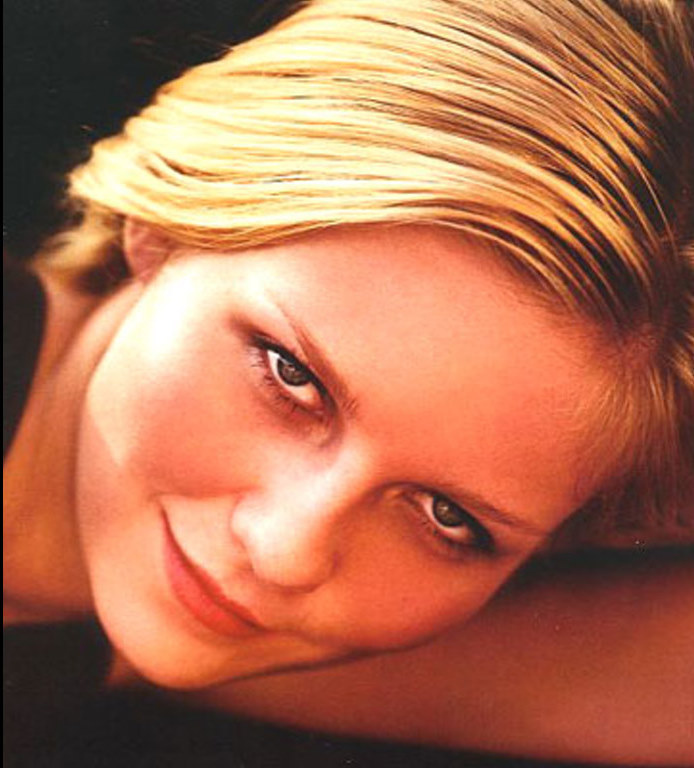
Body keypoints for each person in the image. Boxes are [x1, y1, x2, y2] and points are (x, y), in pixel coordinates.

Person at [4, 0, 693, 765]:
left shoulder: (111, 618)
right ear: (168, 228)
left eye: (447, 517)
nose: (284, 553)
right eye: (289, 375)